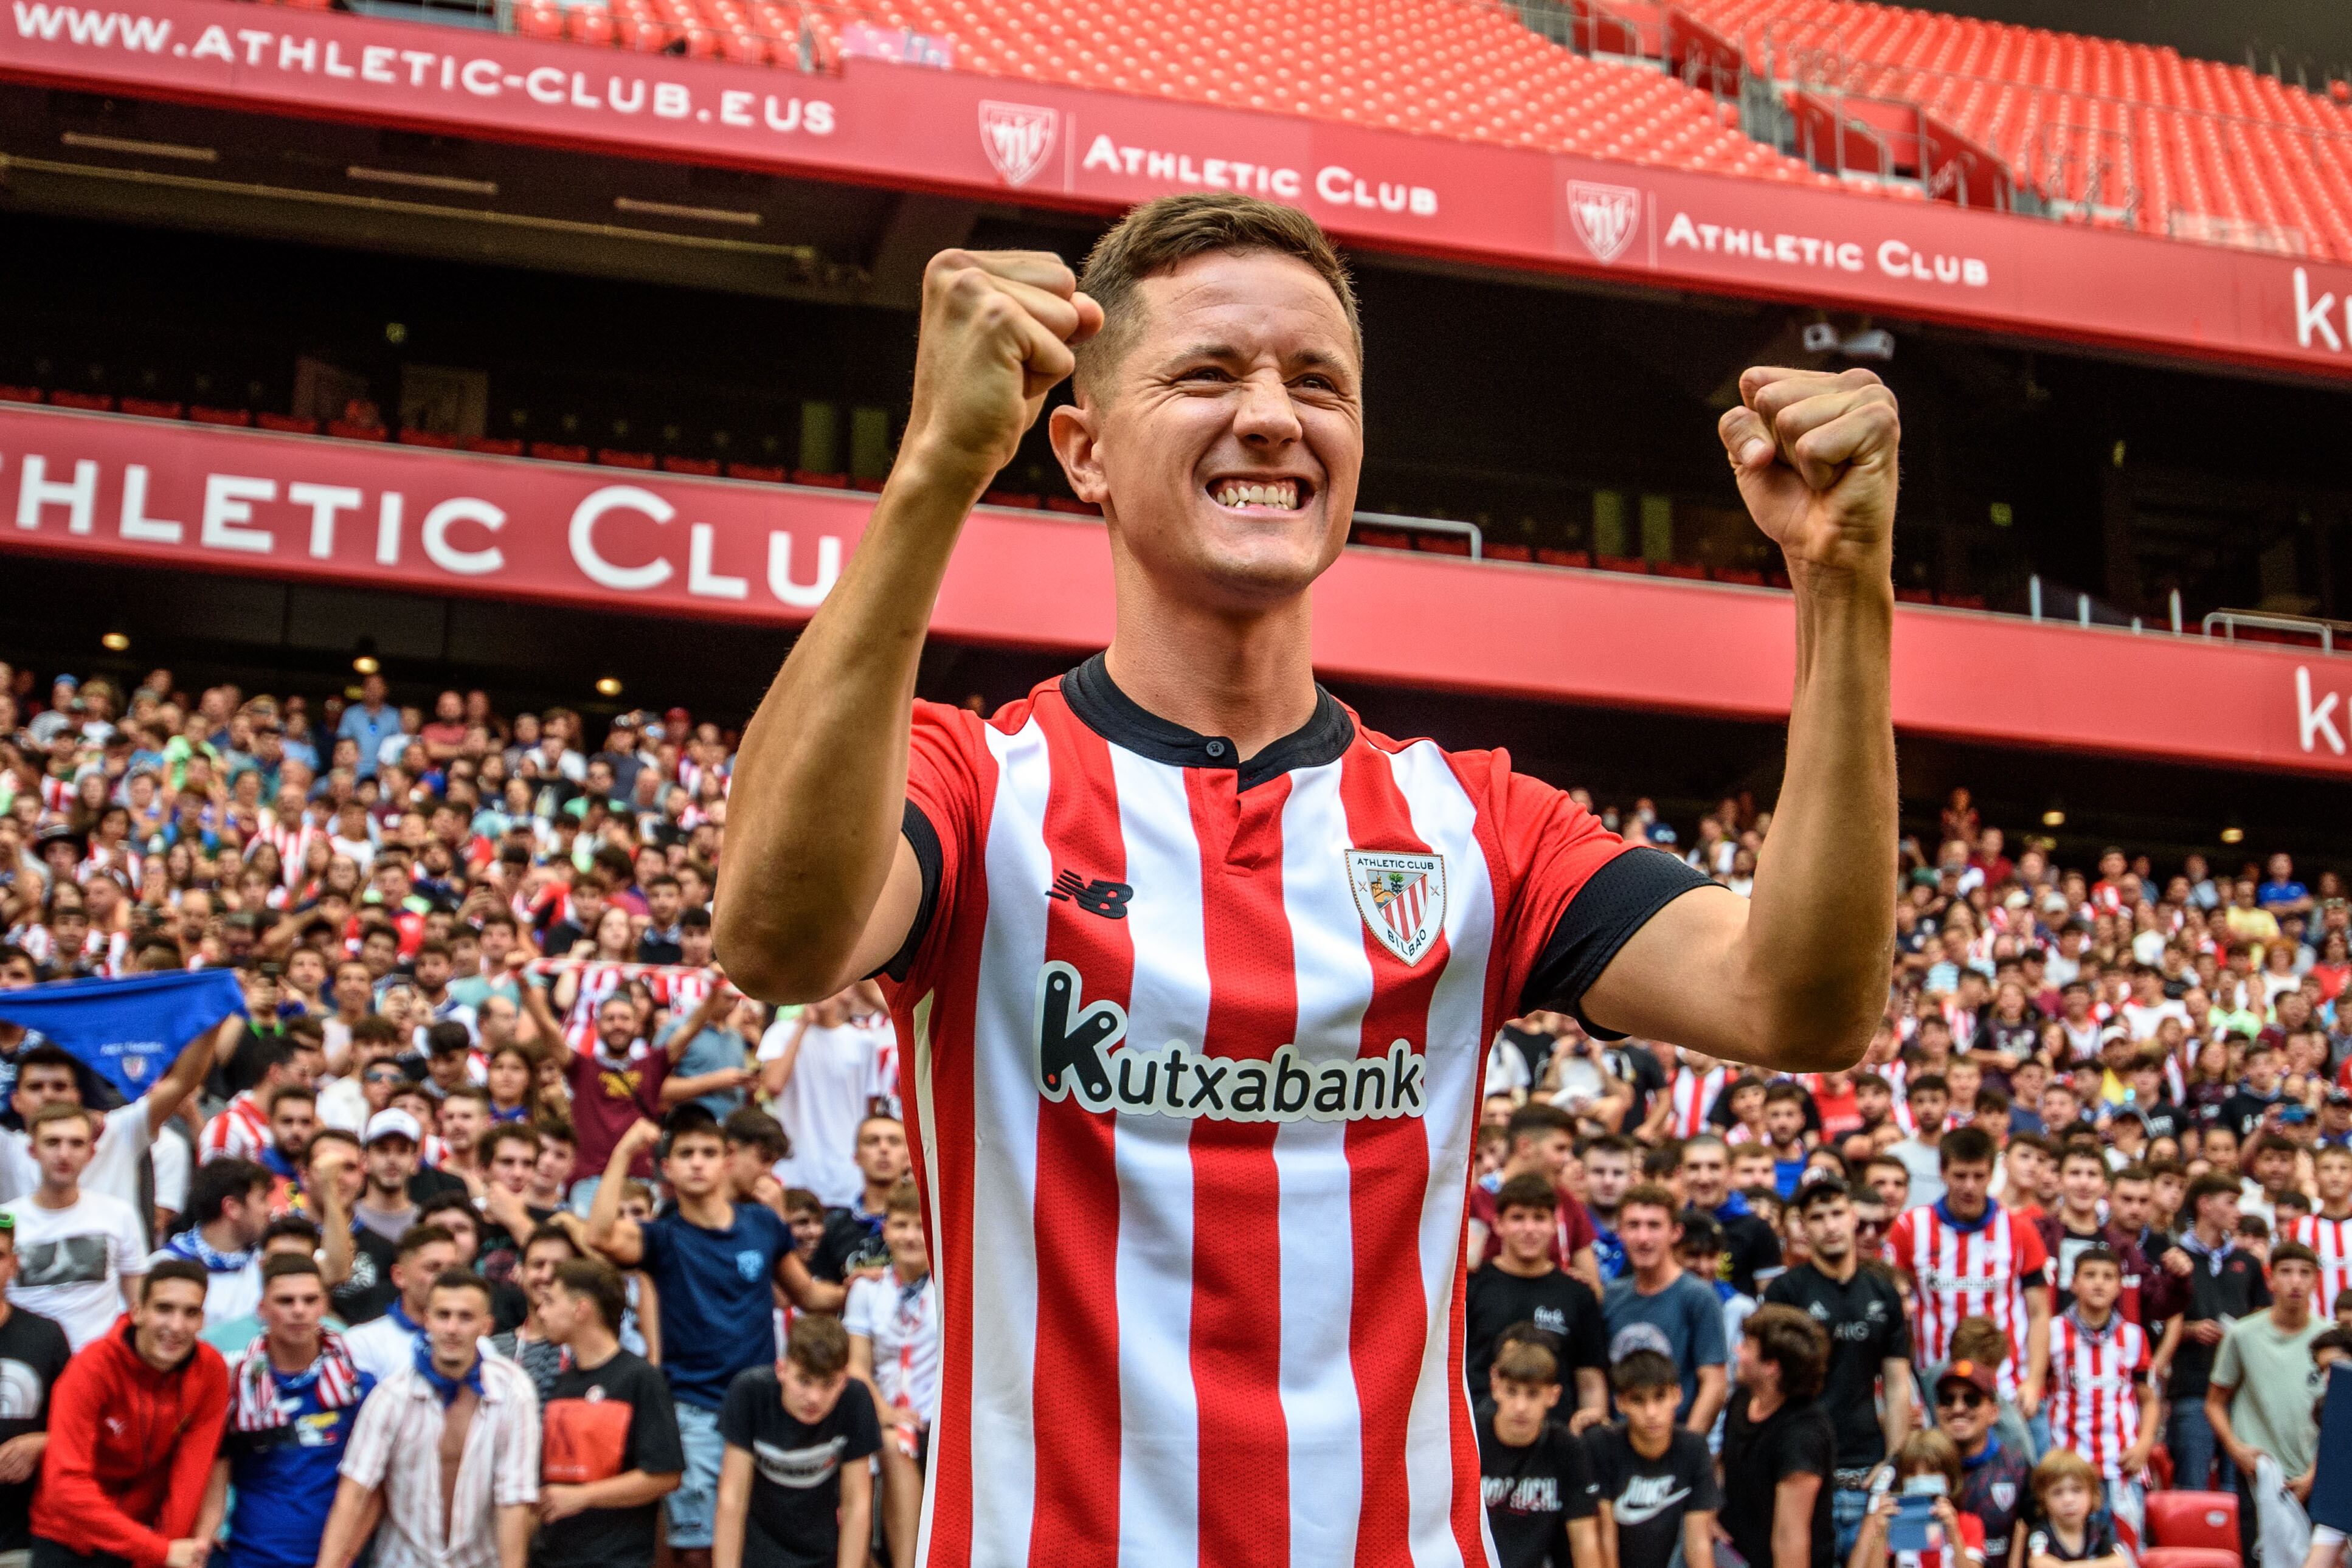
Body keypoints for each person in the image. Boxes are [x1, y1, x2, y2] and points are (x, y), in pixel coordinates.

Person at [711, 193, 1900, 1556]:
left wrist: (1841, 579)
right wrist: (935, 467)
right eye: (1208, 372)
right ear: (1082, 451)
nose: (1273, 415)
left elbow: (1799, 1001)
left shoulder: (1477, 823)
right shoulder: (976, 787)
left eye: (1316, 382)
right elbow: (775, 938)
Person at [586, 1116, 840, 1568]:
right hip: (693, 1408)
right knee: (697, 1550)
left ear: (727, 1161)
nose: (698, 1163)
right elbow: (599, 1235)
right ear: (667, 1168)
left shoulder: (763, 1223)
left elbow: (808, 1295)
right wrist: (624, 1152)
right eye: (685, 1154)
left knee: (758, 1542)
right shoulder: (663, 1237)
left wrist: (858, 1286)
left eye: (708, 1152)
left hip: (764, 1408)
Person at [314, 1269, 540, 1568]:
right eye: (443, 1315)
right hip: (403, 1560)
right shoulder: (391, 1396)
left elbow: (514, 1498)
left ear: (486, 1326)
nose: (452, 1328)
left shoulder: (514, 1391)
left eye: (465, 1317)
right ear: (427, 1320)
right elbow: (354, 1493)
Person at [29, 1258, 226, 1568]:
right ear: (137, 1312)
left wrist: (159, 1557)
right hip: (68, 1535)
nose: (176, 1326)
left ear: (203, 1320)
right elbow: (65, 1485)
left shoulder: (210, 1370)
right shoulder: (91, 1368)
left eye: (191, 1313)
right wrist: (158, 1551)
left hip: (146, 1538)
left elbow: (191, 1476)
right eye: (164, 1309)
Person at [1765, 1178, 1914, 1557]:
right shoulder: (1785, 1292)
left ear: (1852, 1216)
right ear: (1801, 1226)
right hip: (1806, 1471)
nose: (1830, 1226)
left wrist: (1895, 1460)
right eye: (1817, 1217)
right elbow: (1769, 1388)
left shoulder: (1883, 1291)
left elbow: (1897, 1382)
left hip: (1869, 1471)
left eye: (1837, 1214)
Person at [204, 1253, 373, 1568]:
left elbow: (376, 1486)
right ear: (262, 1310)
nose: (299, 1310)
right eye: (286, 1301)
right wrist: (207, 1535)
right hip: (246, 1557)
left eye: (310, 1300)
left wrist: (346, 1556)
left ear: (323, 1307)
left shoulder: (358, 1387)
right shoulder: (235, 1385)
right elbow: (215, 1471)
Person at [1887, 1127, 2051, 1422]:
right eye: (1960, 1176)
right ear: (1943, 1172)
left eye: (1979, 1176)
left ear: (1992, 1174)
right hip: (1937, 1391)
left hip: (2006, 1391)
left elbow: (2039, 1312)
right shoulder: (1910, 1229)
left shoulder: (2019, 1229)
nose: (1969, 1187)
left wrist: (2035, 1382)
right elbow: (1897, 1311)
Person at [535, 1256, 685, 1568]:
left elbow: (665, 1475)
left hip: (617, 1558)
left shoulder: (640, 1378)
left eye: (550, 1301)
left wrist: (584, 1496)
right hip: (552, 1556)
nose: (541, 1311)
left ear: (581, 1310)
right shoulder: (561, 1383)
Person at [714, 1315, 878, 1568]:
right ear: (782, 1369)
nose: (814, 1397)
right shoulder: (748, 1392)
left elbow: (856, 1505)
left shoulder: (855, 1400)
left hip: (823, 1557)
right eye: (804, 1381)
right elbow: (732, 1499)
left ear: (844, 1380)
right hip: (756, 1558)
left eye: (828, 1385)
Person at [842, 1181, 941, 1568]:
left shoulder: (950, 1285)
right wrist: (886, 1411)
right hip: (883, 1410)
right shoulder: (867, 1289)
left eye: (920, 1226)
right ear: (885, 1230)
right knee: (895, 1441)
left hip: (938, 1415)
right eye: (900, 1225)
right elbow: (857, 1366)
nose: (910, 1236)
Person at [2210, 1240, 2328, 1559]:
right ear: (2270, 1279)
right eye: (2286, 1272)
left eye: (2305, 1273)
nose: (2295, 1281)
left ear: (2316, 1281)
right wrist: (2236, 1449)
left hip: (2315, 1475)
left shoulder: (2330, 1339)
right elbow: (2215, 1402)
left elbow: (2341, 1418)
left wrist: (2316, 1473)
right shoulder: (2242, 1335)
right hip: (2259, 1475)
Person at [1464, 1173, 1608, 1425]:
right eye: (1518, 1218)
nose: (1529, 1229)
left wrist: (1589, 1429)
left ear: (1555, 1224)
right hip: (1480, 1434)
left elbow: (1590, 1382)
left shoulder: (1578, 1294)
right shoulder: (1471, 1288)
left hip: (1555, 1439)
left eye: (1539, 1218)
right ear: (1498, 1224)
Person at [3, 1104, 150, 1350]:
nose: (64, 1154)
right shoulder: (5, 1219)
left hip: (99, 1363)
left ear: (91, 1153)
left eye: (76, 1143)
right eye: (52, 1143)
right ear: (32, 1150)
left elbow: (139, 1304)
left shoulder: (118, 1214)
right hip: (27, 1360)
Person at [2161, 1170, 2272, 1493]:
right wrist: (2188, 1331)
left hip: (2239, 1391)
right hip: (2193, 1386)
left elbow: (2262, 1317)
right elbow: (2153, 1323)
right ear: (2205, 1205)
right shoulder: (2173, 1256)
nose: (2239, 1212)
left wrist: (2242, 1334)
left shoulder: (2246, 1263)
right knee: (2192, 1486)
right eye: (2232, 1203)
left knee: (2238, 1488)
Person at [2044, 1247, 2156, 1543]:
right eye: (2090, 1275)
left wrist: (2144, 1445)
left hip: (2122, 1465)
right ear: (2073, 1283)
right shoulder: (2052, 1333)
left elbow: (2149, 1399)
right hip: (2069, 1464)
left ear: (2120, 1287)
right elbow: (2040, 1396)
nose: (2099, 1283)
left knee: (2128, 1551)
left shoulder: (2134, 1336)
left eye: (2109, 1277)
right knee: (2074, 1550)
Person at [1602, 1183, 1729, 1431]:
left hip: (1676, 1437)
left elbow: (1714, 1384)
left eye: (1654, 1226)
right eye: (1634, 1226)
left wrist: (1687, 1451)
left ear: (1676, 1233)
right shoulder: (1611, 1296)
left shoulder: (1699, 1296)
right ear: (1620, 1233)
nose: (1643, 1238)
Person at [1723, 1304, 1838, 1568]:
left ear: (1772, 1367)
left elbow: (1791, 1538)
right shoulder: (1742, 1400)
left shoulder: (1803, 1434)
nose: (1738, 1351)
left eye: (1748, 1346)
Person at [754, 989, 890, 1211]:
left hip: (846, 1175)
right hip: (795, 1171)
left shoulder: (862, 1042)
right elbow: (773, 1085)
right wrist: (802, 1026)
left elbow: (869, 1110)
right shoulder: (781, 1033)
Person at [1585, 1349, 1720, 1568]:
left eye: (1660, 1397)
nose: (1651, 1412)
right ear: (1620, 1403)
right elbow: (1605, 1537)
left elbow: (1698, 1544)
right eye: (1638, 1401)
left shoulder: (1694, 1448)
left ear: (1677, 1395)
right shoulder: (1601, 1444)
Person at [1475, 1339, 1600, 1568]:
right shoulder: (1471, 1438)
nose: (1520, 1406)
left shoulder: (1567, 1449)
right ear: (1496, 1387)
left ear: (1553, 1395)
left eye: (1533, 1394)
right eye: (1512, 1392)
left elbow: (1584, 1539)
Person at [1467, 1104, 1602, 1285]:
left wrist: (1575, 1289)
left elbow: (1594, 1290)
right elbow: (1465, 1280)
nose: (1569, 1159)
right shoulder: (1476, 1201)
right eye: (1560, 1149)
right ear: (1525, 1146)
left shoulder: (1567, 1202)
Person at [0, 1221, 70, 1566]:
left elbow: (81, 1431)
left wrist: (42, 1442)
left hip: (24, 1539)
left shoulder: (46, 1336)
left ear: (14, 1264)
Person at [1934, 1355, 2030, 1568]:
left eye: (1972, 1399)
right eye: (1947, 1399)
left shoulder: (2018, 1468)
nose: (1958, 1408)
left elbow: (2039, 1534)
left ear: (1994, 1412)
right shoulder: (1917, 1465)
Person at [151, 1158, 271, 1327]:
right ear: (232, 1208)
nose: (270, 1209)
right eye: (263, 1199)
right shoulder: (163, 1265)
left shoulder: (266, 1266)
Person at [1849, 1430, 1985, 1568]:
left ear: (1950, 1477)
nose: (1921, 1479)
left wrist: (1953, 1533)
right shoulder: (1897, 1525)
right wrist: (1881, 1535)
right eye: (1912, 1473)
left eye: (1932, 1470)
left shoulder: (1969, 1524)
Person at [341, 1223, 460, 1381]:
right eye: (433, 1268)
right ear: (399, 1276)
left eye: (453, 1269)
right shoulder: (362, 1341)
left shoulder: (478, 1344)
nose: (446, 1279)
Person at [2022, 1451, 2132, 1568]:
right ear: (2044, 1499)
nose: (2068, 1500)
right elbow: (2039, 1564)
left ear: (2092, 1494)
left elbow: (2120, 1563)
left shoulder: (2099, 1531)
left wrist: (2064, 1566)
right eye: (2057, 1492)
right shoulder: (2041, 1533)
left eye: (2077, 1490)